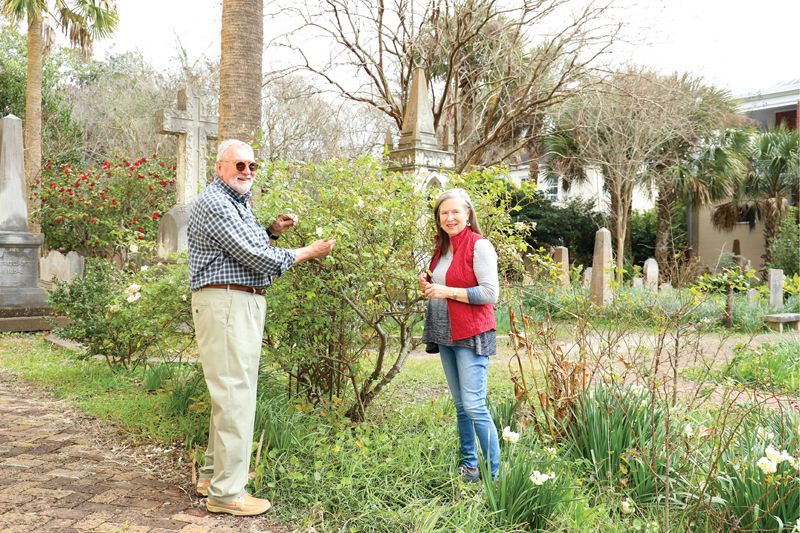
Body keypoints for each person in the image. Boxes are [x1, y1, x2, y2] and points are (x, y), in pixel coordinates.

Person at [188, 139, 335, 516]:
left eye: (253, 166)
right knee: (236, 394)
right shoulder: (217, 203)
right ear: (220, 167)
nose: (247, 172)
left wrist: (271, 231)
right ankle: (226, 494)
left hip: (237, 300)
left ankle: (212, 477)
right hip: (226, 302)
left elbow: (246, 247)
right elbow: (254, 258)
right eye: (239, 165)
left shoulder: (236, 203)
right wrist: (306, 252)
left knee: (230, 393)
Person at [418, 188, 500, 482]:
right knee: (461, 405)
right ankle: (470, 468)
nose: (450, 217)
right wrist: (428, 284)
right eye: (444, 213)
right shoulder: (441, 249)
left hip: (471, 333)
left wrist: (446, 291)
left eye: (455, 212)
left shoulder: (479, 246)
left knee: (475, 405)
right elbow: (442, 283)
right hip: (444, 334)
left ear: (468, 214)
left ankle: (495, 477)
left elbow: (490, 293)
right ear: (438, 219)